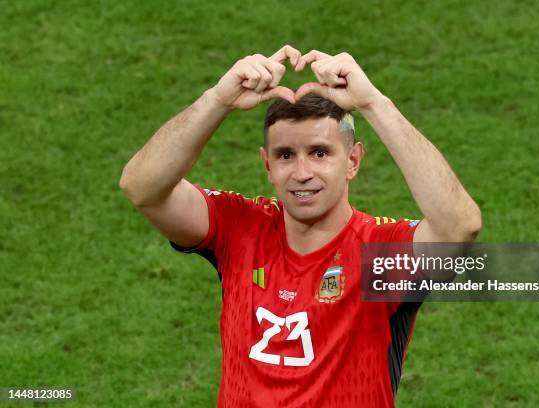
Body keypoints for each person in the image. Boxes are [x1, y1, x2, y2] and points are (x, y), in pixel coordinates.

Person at [119, 45, 481, 407]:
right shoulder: (239, 228)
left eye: (320, 153)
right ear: (267, 165)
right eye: (286, 155)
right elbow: (142, 187)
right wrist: (217, 99)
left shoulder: (379, 254)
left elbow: (459, 227)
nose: (302, 173)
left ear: (352, 160)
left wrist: (373, 103)